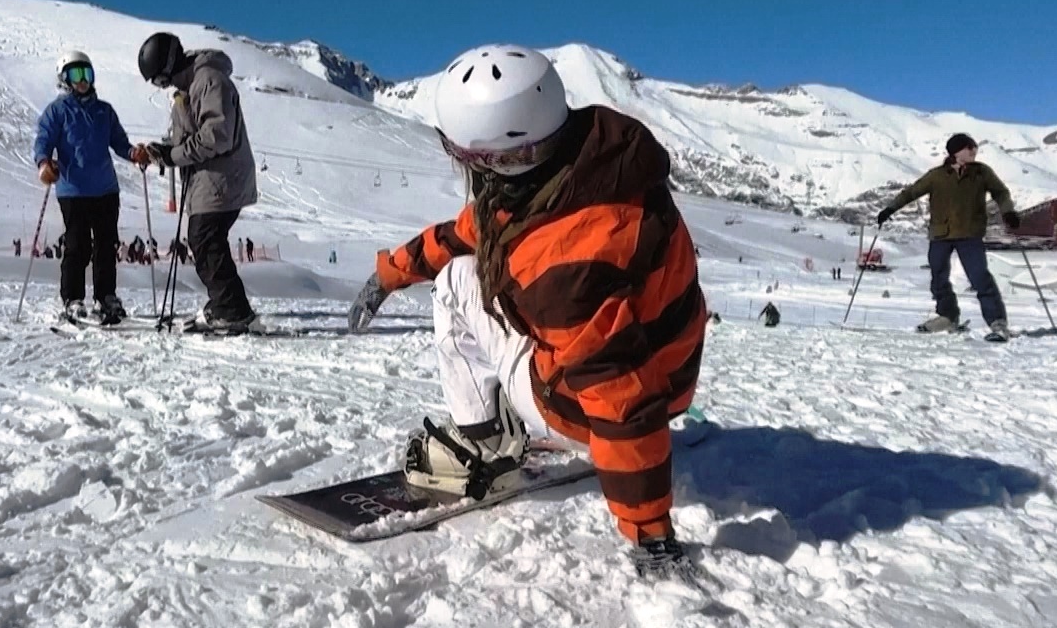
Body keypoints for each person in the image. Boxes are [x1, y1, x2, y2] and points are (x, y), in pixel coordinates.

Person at [346, 45, 708, 579]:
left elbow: (621, 400)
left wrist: (649, 531)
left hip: (606, 399)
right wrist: (390, 274)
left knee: (454, 284)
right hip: (667, 369)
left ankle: (483, 440)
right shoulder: (585, 161)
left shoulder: (569, 265)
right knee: (461, 265)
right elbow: (463, 233)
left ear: (493, 157)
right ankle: (506, 415)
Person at [137, 32, 260, 334]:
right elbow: (188, 135)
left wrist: (174, 156)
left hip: (222, 178)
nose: (159, 86)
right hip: (208, 180)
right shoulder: (188, 87)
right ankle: (227, 306)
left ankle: (232, 310)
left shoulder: (208, 81)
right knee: (205, 240)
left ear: (166, 67)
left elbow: (216, 135)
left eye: (157, 79)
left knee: (204, 238)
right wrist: (162, 150)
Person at [35, 51, 148, 326]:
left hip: (106, 189)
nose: (83, 80)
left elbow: (120, 142)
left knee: (107, 246)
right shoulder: (57, 111)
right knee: (78, 246)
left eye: (88, 74)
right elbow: (43, 141)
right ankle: (72, 299)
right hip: (73, 190)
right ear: (64, 79)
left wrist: (134, 153)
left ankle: (106, 296)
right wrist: (44, 163)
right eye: (76, 75)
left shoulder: (104, 111)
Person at [875, 132, 1021, 340]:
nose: (974, 151)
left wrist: (1008, 212)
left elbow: (1000, 193)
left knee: (980, 277)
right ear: (956, 151)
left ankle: (997, 323)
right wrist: (889, 210)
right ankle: (947, 316)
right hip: (940, 234)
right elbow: (911, 193)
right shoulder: (936, 176)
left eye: (974, 147)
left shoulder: (981, 173)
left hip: (970, 234)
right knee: (938, 278)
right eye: (969, 147)